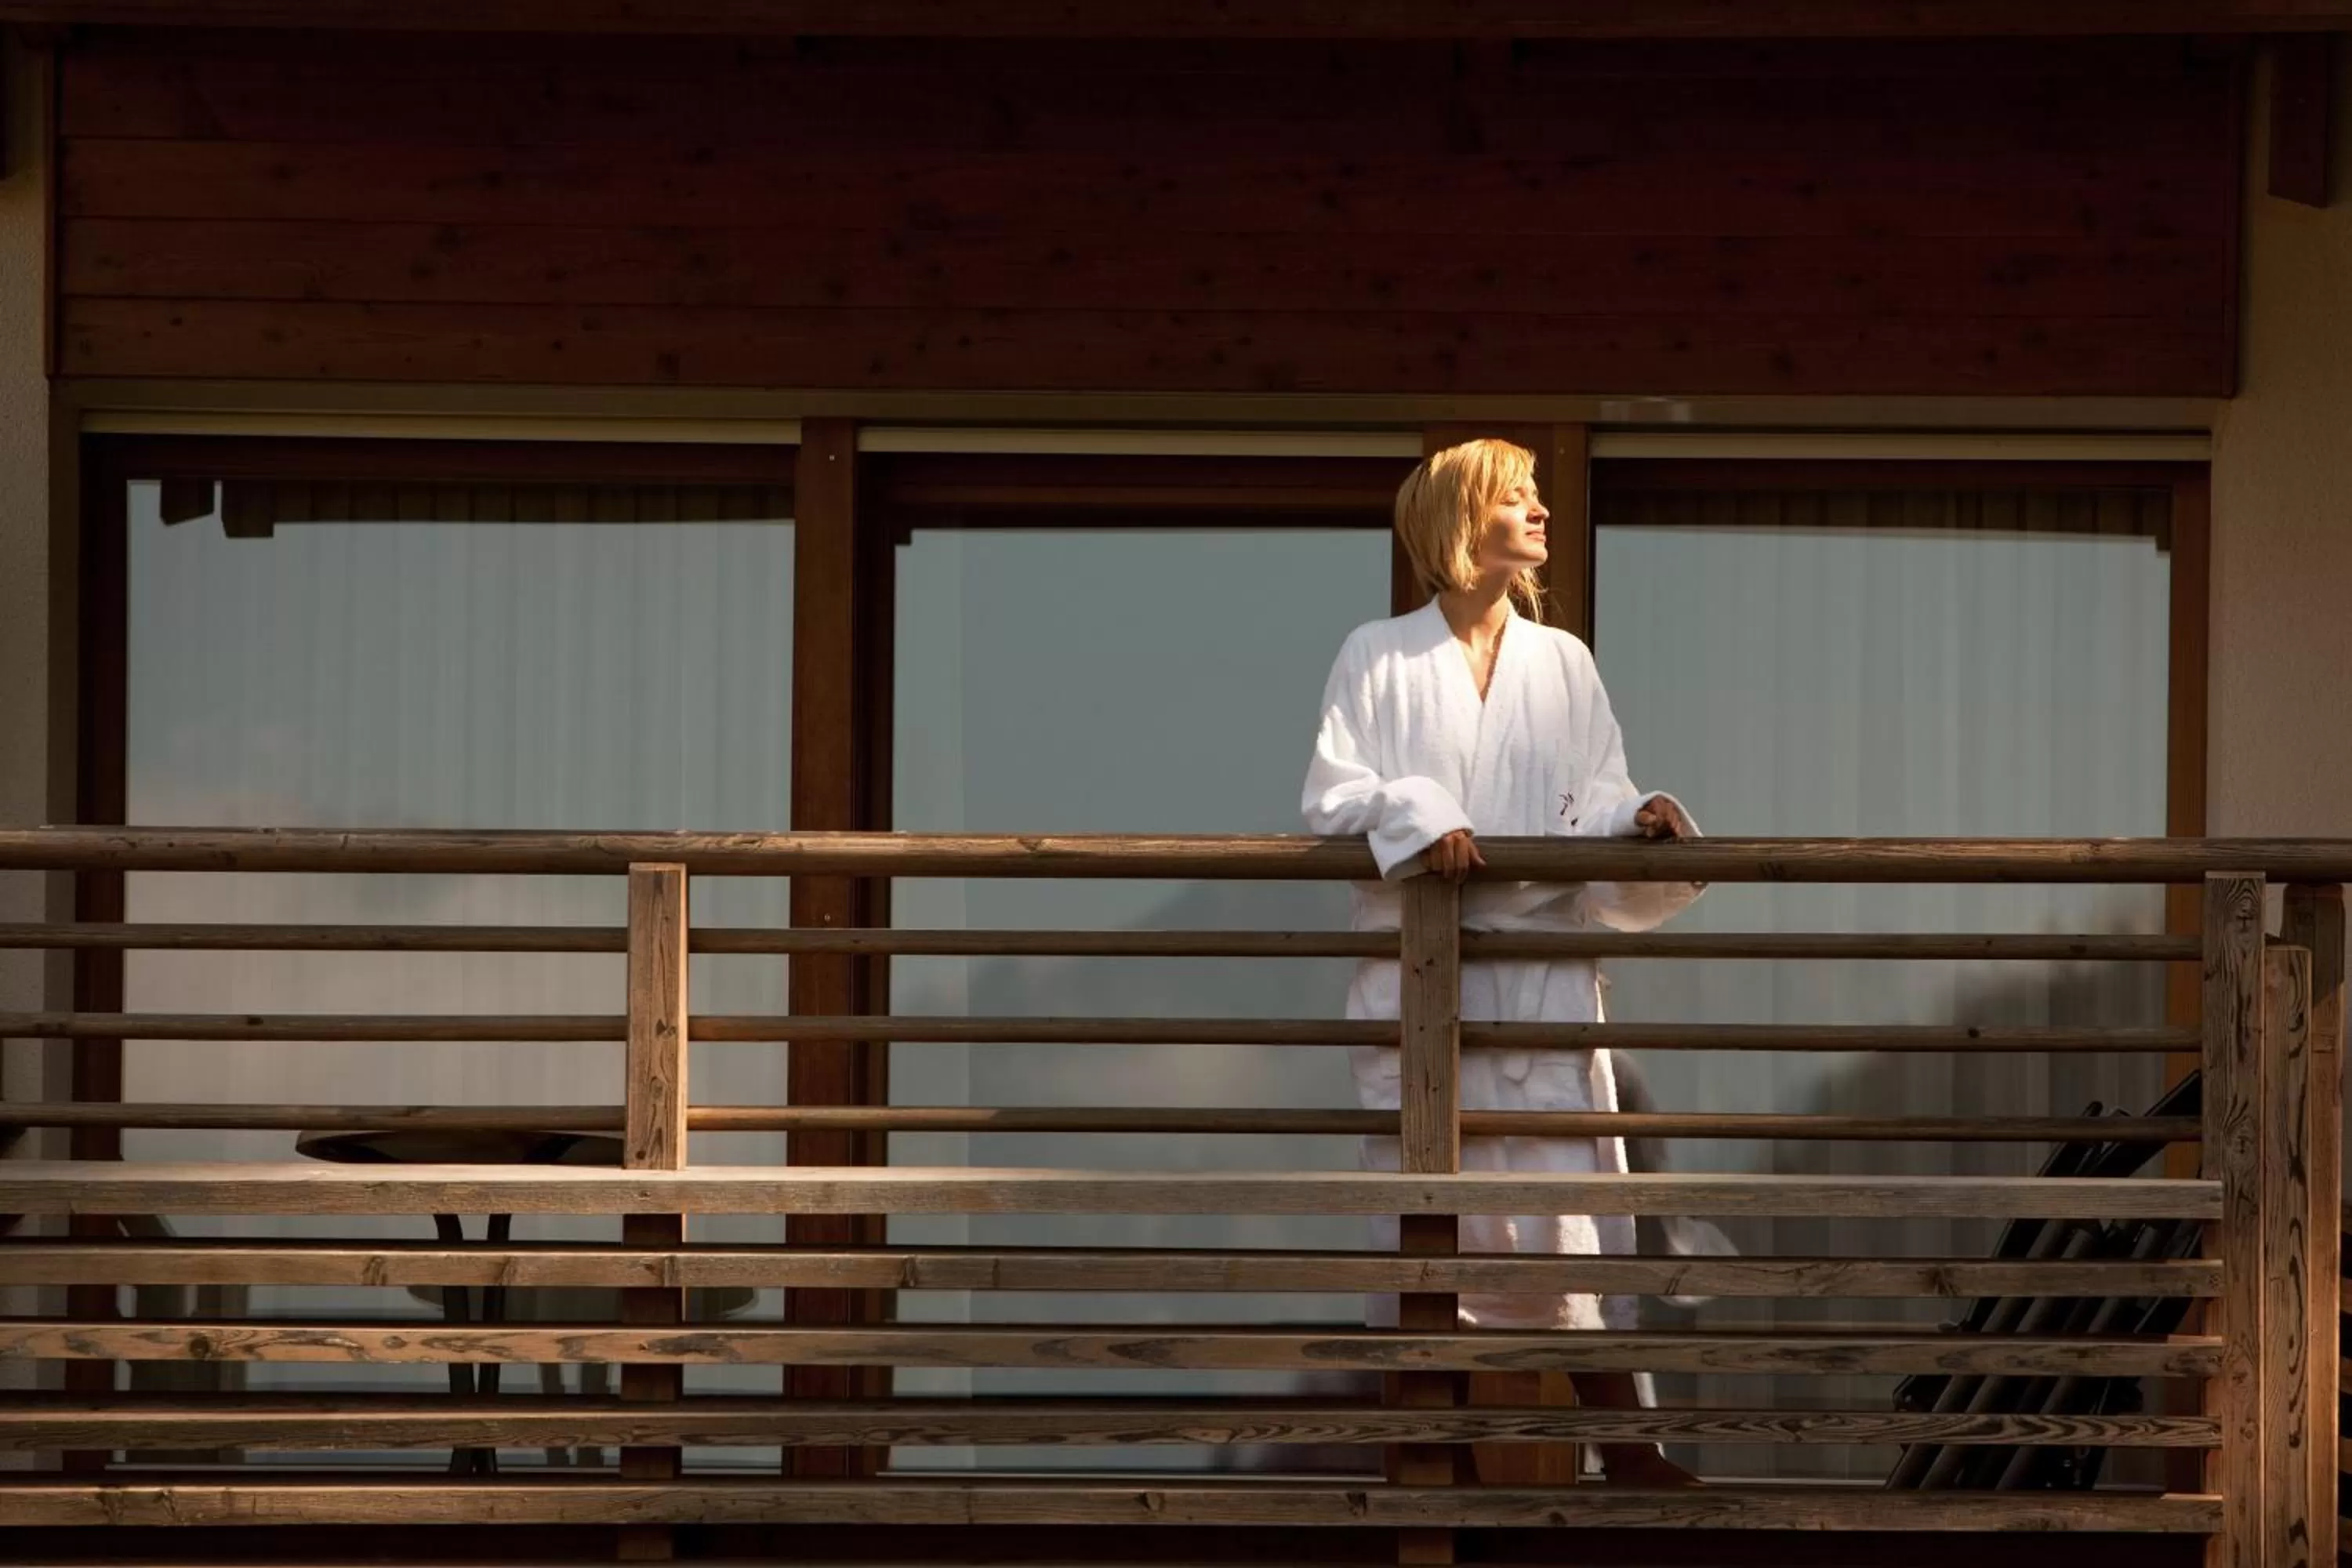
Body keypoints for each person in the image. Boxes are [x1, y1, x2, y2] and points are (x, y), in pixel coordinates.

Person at [1301, 437, 1705, 1487]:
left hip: (1536, 989)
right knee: (1426, 1222)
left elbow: (1585, 798)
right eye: (1518, 500)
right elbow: (1336, 796)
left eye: (1537, 499)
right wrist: (1426, 815)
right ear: (1461, 521)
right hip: (1425, 990)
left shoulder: (1562, 663)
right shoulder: (1377, 656)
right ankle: (1425, 1458)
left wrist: (1637, 819)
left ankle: (1629, 1454)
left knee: (1569, 1223)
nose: (1541, 516)